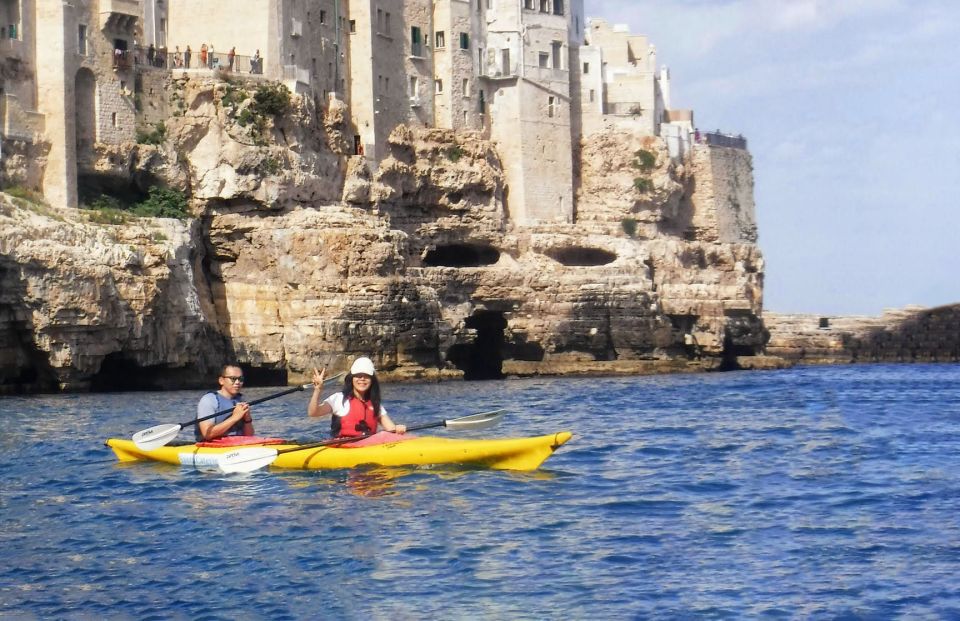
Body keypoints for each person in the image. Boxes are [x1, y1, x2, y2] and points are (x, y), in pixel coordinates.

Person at [308, 357, 406, 437]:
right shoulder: (339, 399)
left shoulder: (375, 404)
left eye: (366, 376)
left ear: (372, 380)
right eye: (358, 376)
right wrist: (318, 390)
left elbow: (391, 429)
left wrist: (398, 429)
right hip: (342, 449)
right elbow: (313, 412)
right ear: (352, 378)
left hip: (367, 448)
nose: (362, 379)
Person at [196, 364, 254, 441]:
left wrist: (247, 419)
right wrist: (235, 417)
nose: (237, 382)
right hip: (213, 447)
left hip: (237, 445)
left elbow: (249, 436)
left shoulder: (241, 400)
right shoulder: (209, 400)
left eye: (240, 379)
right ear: (221, 381)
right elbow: (207, 434)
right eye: (233, 379)